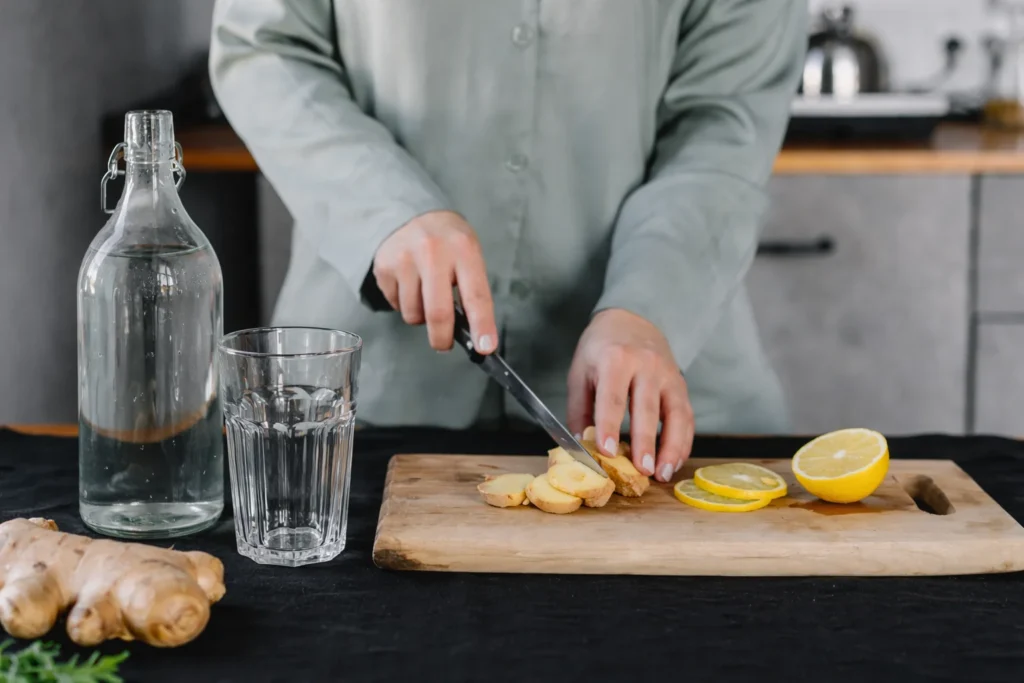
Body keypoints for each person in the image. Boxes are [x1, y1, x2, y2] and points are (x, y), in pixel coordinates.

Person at [209, 0, 806, 483]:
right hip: (361, 409)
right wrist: (384, 208)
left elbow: (723, 124)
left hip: (662, 405)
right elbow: (263, 45)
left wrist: (646, 308)